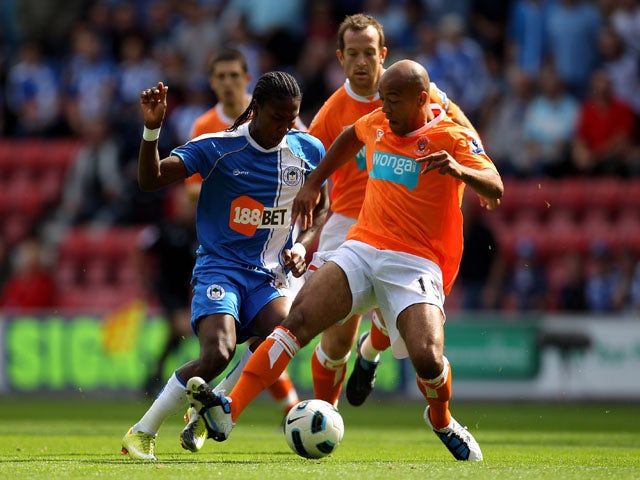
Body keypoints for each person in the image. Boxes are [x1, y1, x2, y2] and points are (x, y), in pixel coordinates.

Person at [186, 59, 503, 462]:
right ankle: (231, 409)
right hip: (363, 246)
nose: (383, 107)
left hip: (415, 261)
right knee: (296, 321)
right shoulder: (379, 121)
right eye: (382, 99)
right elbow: (350, 137)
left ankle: (440, 420)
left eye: (392, 100)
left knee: (428, 358)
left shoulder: (451, 136)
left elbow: (496, 183)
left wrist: (460, 170)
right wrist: (315, 183)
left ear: (421, 99)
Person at [120, 71, 329, 461]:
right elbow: (150, 180)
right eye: (277, 118)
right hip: (221, 269)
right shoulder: (219, 147)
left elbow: (323, 206)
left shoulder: (308, 150)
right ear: (256, 109)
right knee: (218, 352)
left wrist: (302, 244)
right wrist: (152, 131)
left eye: (292, 118)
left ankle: (209, 412)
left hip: (269, 276)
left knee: (282, 335)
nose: (284, 127)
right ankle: (142, 432)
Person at [307, 13, 480, 409]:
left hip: (412, 227)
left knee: (399, 315)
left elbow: (465, 132)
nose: (362, 61)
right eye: (354, 53)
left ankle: (371, 353)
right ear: (340, 58)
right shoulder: (333, 112)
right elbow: (308, 162)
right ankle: (323, 412)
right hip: (352, 221)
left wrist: (474, 168)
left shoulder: (418, 90)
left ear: (383, 54)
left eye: (369, 52)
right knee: (335, 338)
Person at [185, 47, 301, 418]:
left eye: (235, 75)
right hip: (225, 241)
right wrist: (237, 190)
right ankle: (280, 406)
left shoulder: (279, 115)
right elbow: (190, 186)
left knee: (272, 332)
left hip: (270, 249)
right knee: (247, 339)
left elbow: (301, 161)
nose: (228, 83)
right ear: (211, 82)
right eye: (220, 76)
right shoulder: (206, 127)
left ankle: (277, 405)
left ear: (247, 79)